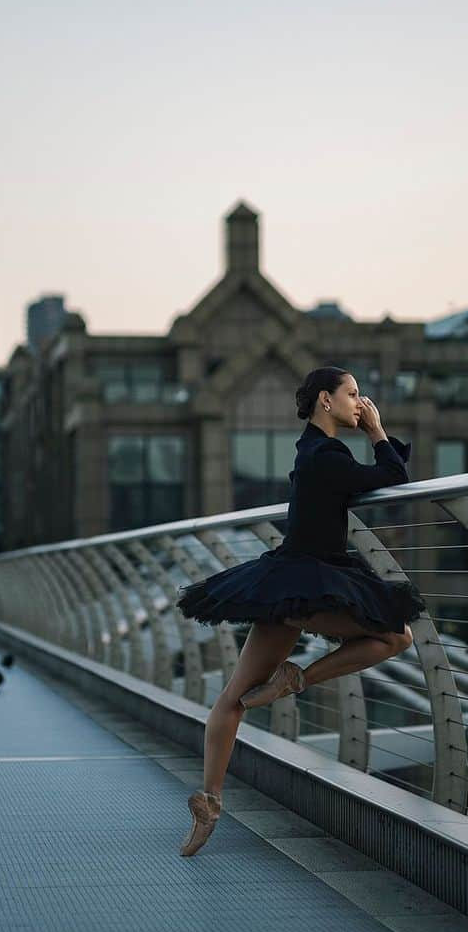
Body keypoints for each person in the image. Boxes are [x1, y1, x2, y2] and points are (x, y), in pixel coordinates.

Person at [175, 366, 426, 856]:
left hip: (286, 580)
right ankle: (296, 681)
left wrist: (372, 433)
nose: (361, 403)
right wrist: (377, 431)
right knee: (397, 637)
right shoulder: (328, 455)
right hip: (310, 583)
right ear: (325, 402)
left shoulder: (310, 450)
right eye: (352, 395)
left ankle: (210, 800)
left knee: (232, 697)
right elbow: (394, 476)